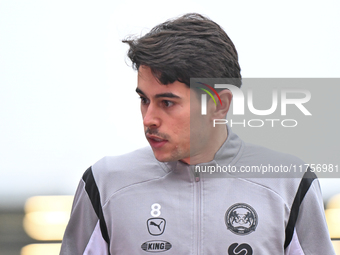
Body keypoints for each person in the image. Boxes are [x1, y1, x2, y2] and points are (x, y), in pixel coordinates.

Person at [60, 13, 335, 254]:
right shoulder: (104, 183)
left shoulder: (290, 183)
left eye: (167, 103)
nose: (149, 118)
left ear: (219, 105)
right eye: (144, 99)